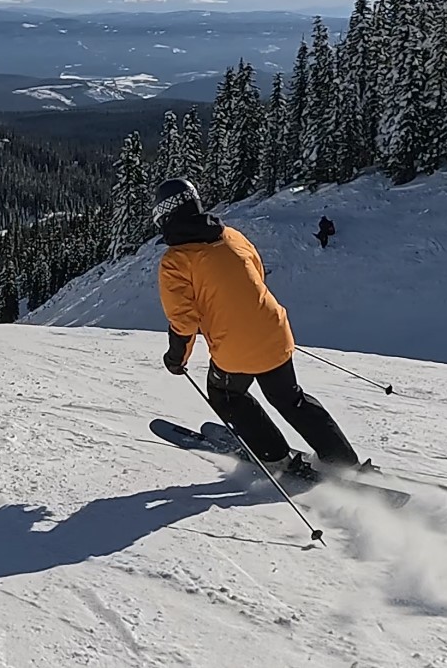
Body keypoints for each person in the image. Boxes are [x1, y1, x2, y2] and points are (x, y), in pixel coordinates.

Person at [152, 177, 360, 474]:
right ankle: (343, 461)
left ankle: (274, 456)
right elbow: (256, 273)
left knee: (225, 394)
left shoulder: (175, 261)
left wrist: (176, 358)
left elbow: (184, 321)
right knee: (290, 398)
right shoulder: (231, 235)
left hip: (234, 349)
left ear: (165, 217)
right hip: (275, 330)